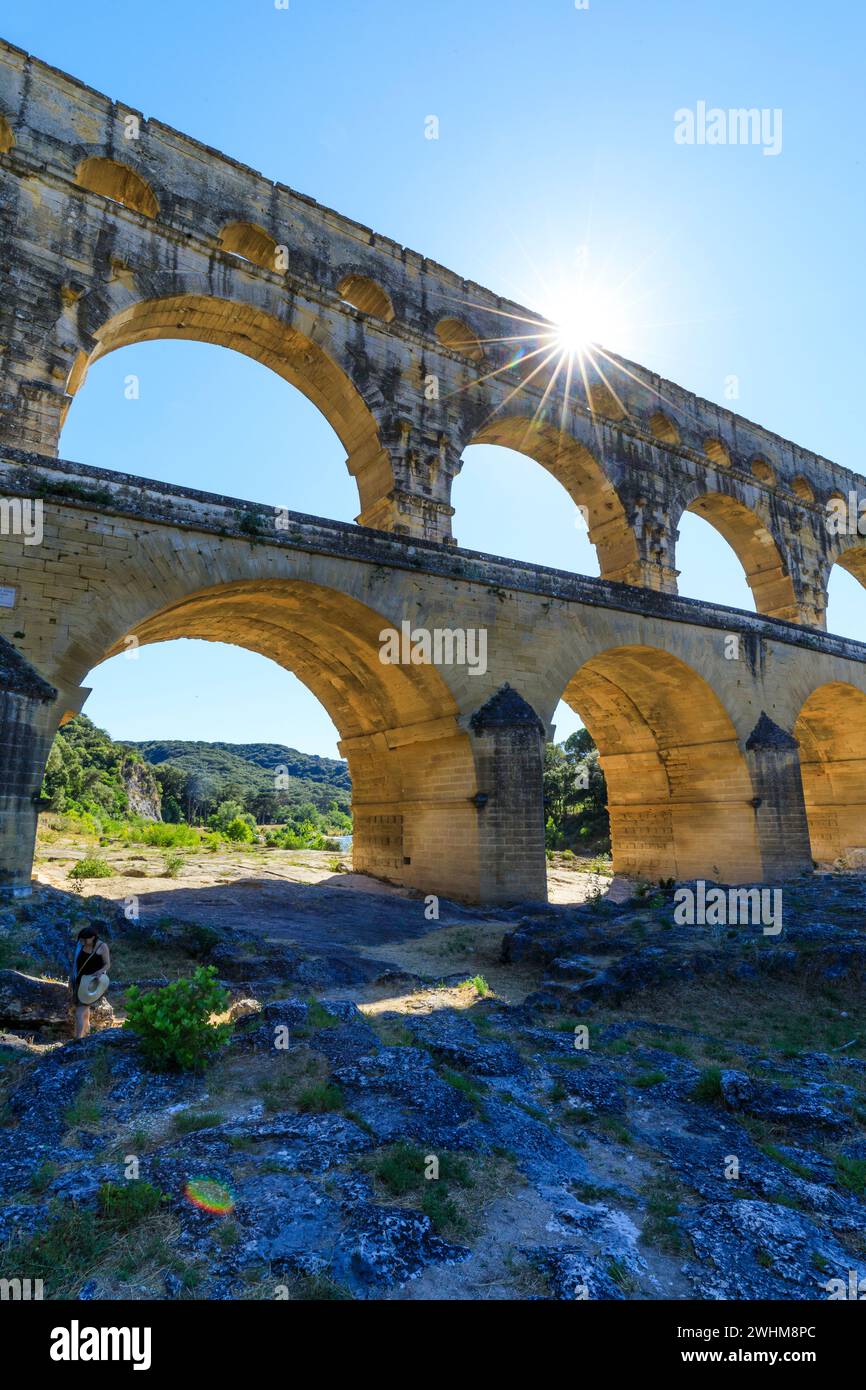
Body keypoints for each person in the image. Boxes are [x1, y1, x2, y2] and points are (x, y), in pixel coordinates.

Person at [70, 922, 111, 1039]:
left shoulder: (102, 947)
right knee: (83, 1009)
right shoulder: (80, 945)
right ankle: (86, 1033)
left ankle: (78, 1038)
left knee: (79, 1011)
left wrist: (99, 972)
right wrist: (71, 980)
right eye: (81, 939)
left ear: (93, 937)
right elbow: (75, 964)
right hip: (79, 981)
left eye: (85, 939)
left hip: (92, 984)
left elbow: (107, 964)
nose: (82, 941)